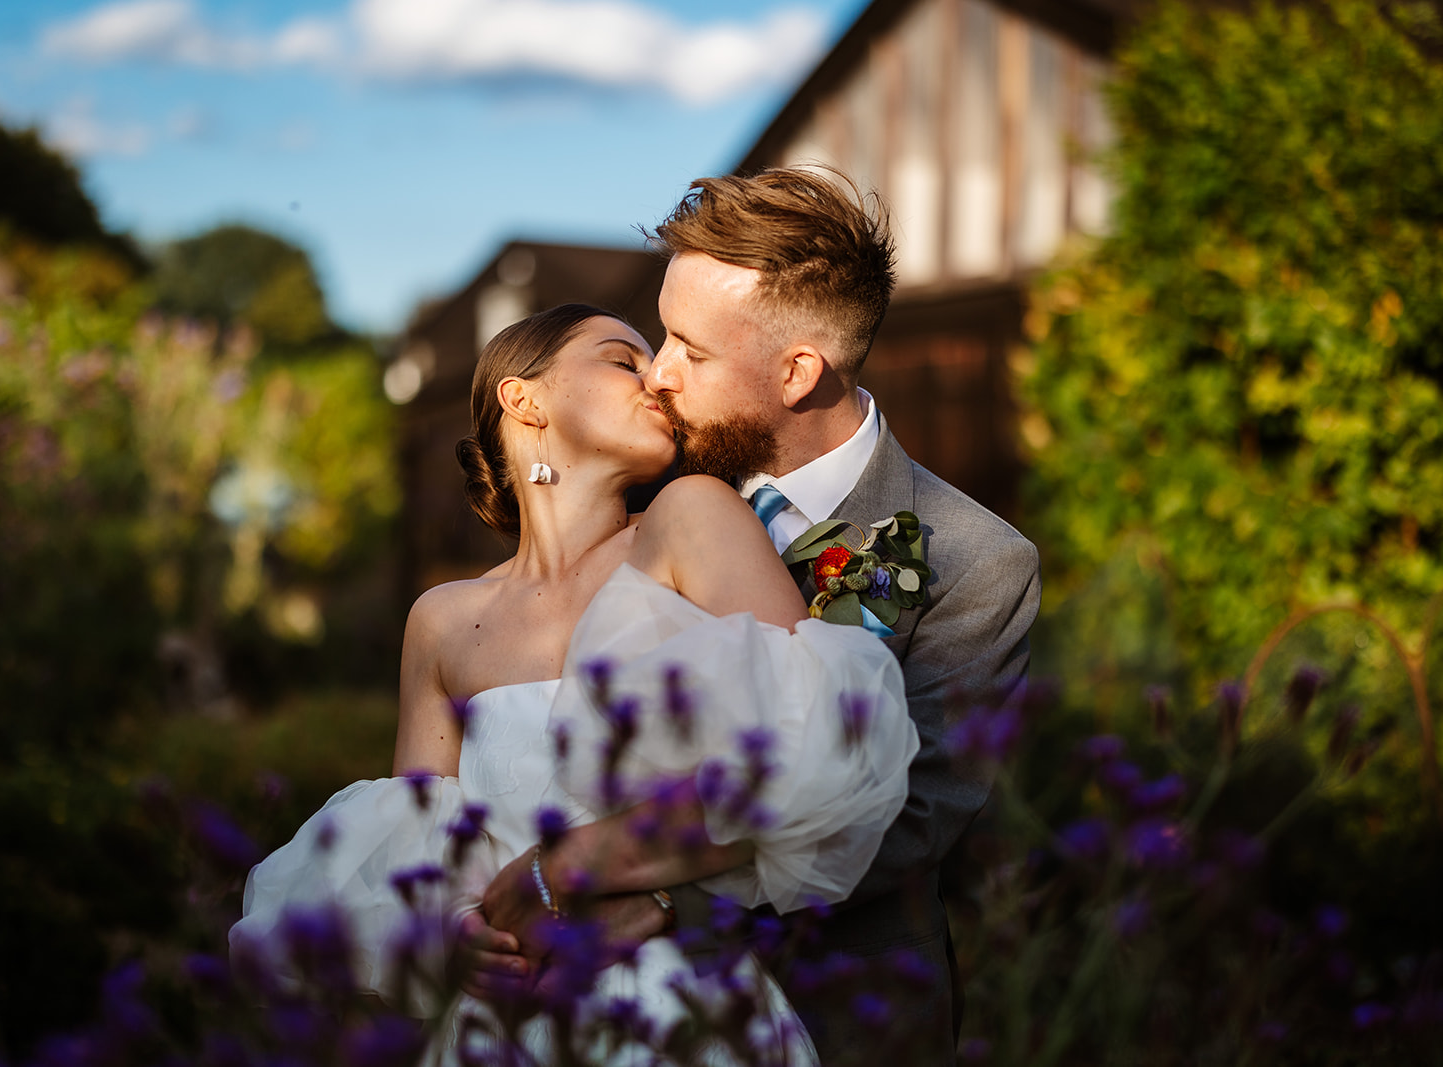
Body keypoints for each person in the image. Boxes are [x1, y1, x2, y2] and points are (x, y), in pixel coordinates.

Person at [230, 303, 921, 1065]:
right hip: (504, 1022)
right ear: (524, 399)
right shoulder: (442, 621)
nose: (657, 377)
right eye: (623, 359)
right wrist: (457, 930)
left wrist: (585, 877)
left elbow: (816, 752)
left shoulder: (695, 520)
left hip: (677, 1013)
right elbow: (417, 847)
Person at [475, 167, 1041, 1064]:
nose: (658, 374)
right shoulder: (654, 483)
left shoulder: (978, 559)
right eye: (662, 333)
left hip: (842, 1005)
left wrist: (649, 898)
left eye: (689, 350)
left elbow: (910, 816)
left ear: (797, 370)